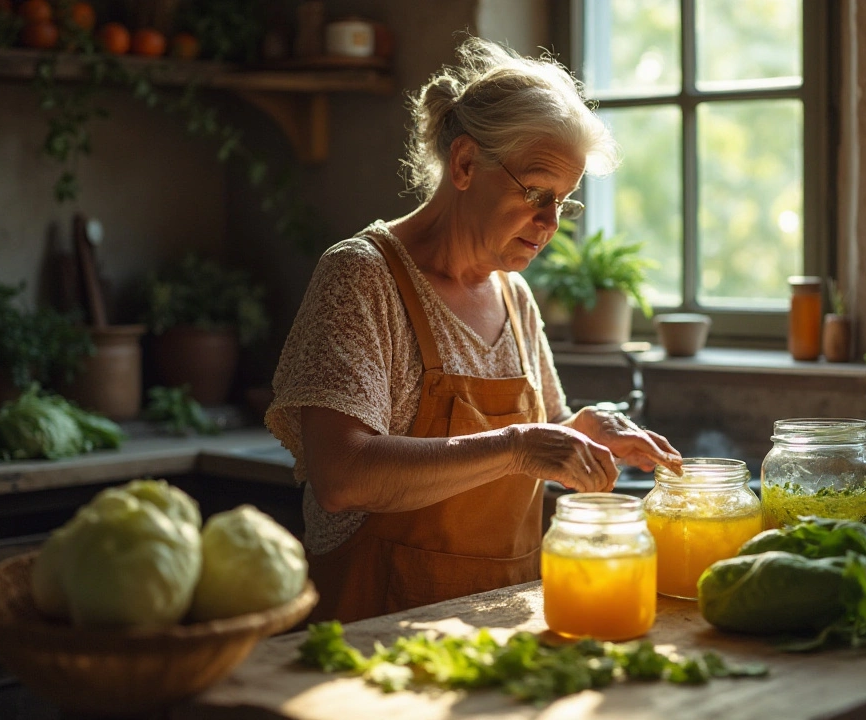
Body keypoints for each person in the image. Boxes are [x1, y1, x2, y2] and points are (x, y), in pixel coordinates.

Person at [266, 37, 683, 624]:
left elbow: (543, 437)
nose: (550, 223)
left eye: (563, 202)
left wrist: (581, 430)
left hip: (501, 627)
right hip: (374, 634)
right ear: (464, 164)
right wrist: (515, 446)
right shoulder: (362, 276)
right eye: (537, 192)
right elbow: (342, 476)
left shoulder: (514, 295)